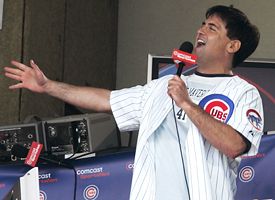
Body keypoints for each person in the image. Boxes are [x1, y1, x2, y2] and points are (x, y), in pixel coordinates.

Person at [4, 5, 263, 200]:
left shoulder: (242, 92)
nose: (200, 30)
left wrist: (186, 103)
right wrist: (48, 86)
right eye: (202, 24)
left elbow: (234, 145)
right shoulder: (164, 85)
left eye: (212, 27)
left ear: (233, 46)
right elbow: (107, 100)